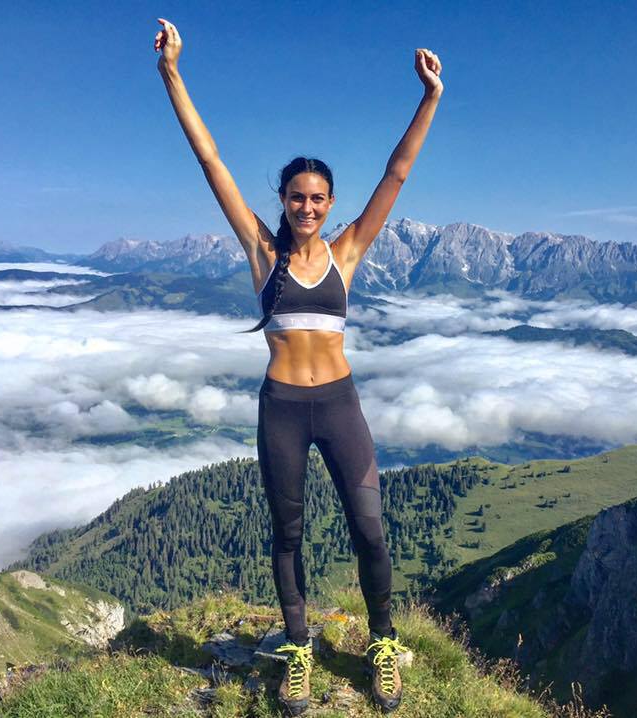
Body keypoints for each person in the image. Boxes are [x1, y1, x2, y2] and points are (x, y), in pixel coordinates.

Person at [154, 17, 443, 714]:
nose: (307, 207)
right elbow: (212, 162)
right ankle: (298, 648)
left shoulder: (347, 252)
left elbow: (397, 173)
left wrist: (430, 97)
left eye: (317, 199)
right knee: (287, 535)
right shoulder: (264, 253)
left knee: (369, 530)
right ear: (283, 200)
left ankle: (382, 643)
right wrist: (171, 72)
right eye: (296, 197)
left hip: (340, 404)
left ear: (329, 204)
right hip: (282, 407)